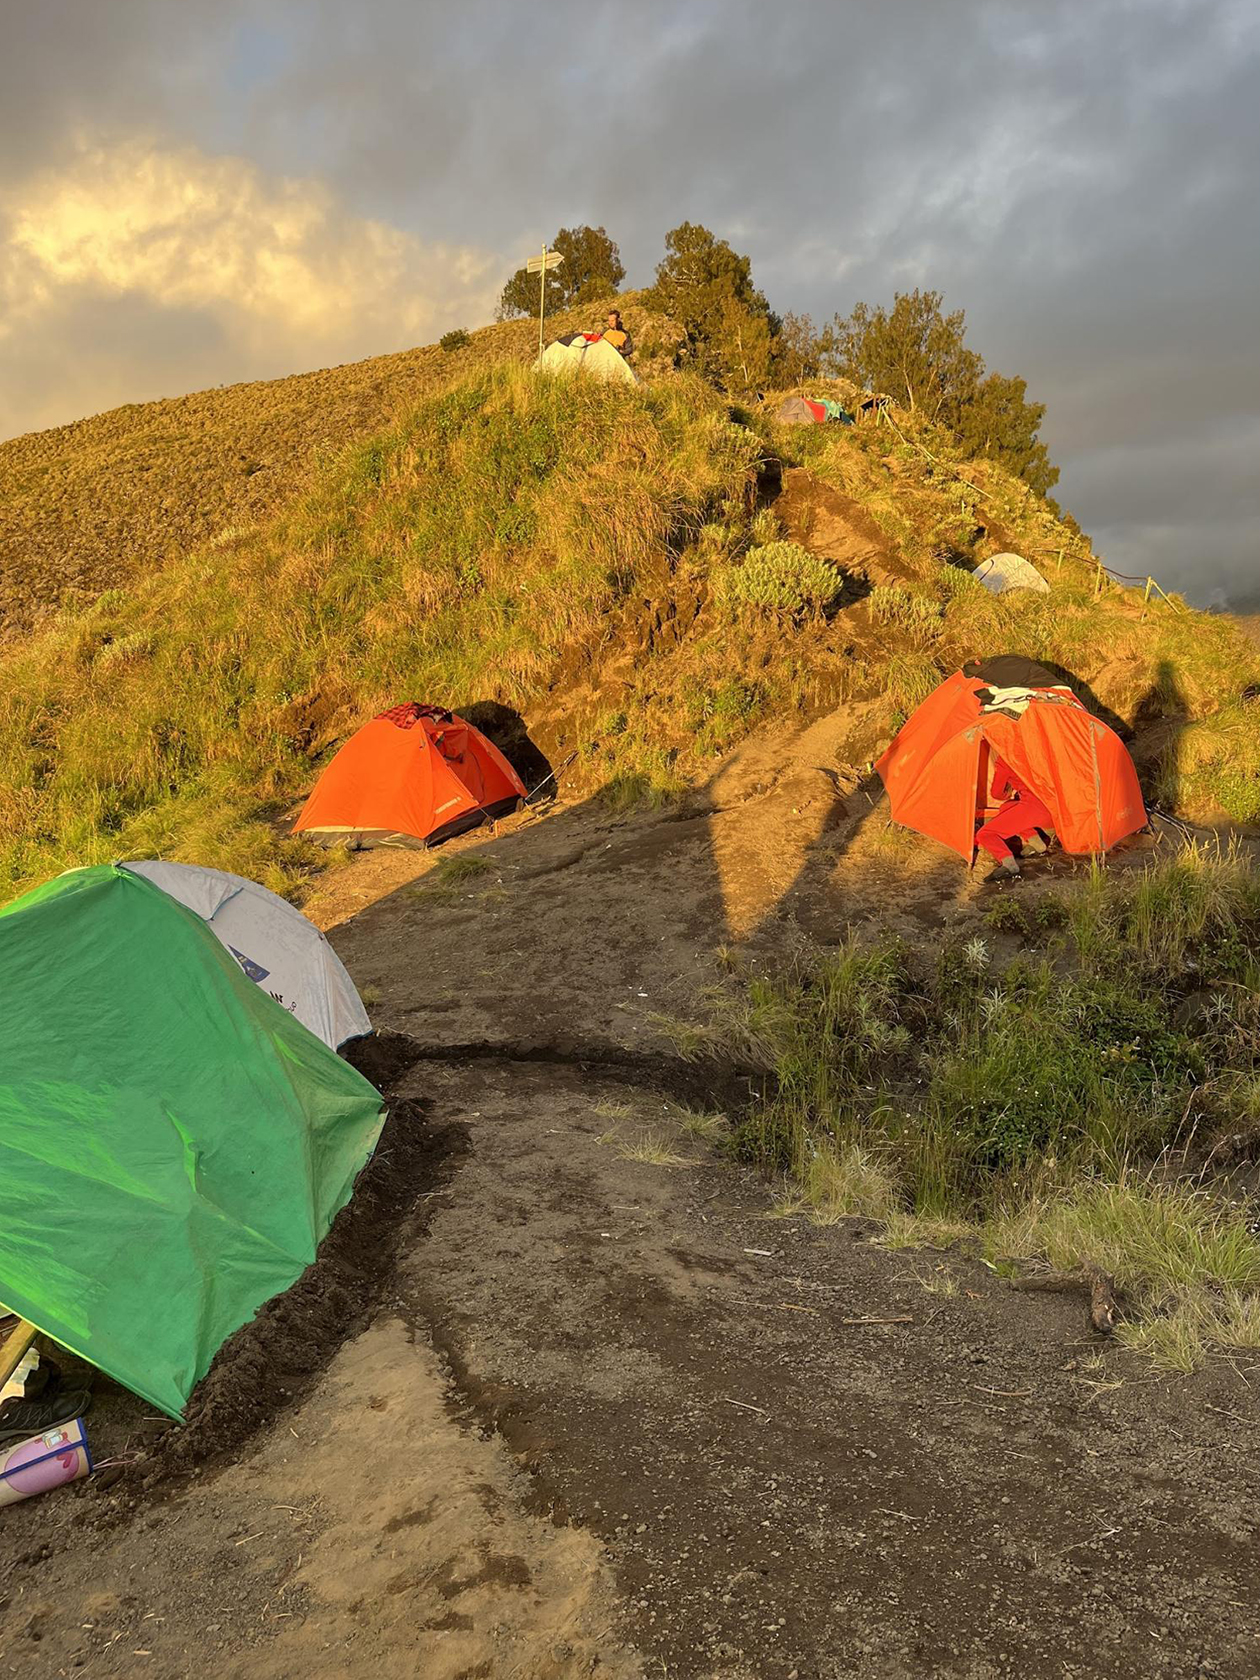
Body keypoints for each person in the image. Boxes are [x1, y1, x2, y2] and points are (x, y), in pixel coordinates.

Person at [975, 757, 1053, 879]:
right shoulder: (1037, 750)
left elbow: (997, 794)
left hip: (1033, 810)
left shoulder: (1005, 759)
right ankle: (1039, 845)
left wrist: (1008, 790)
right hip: (1054, 810)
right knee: (1007, 807)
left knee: (984, 834)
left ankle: (1009, 864)